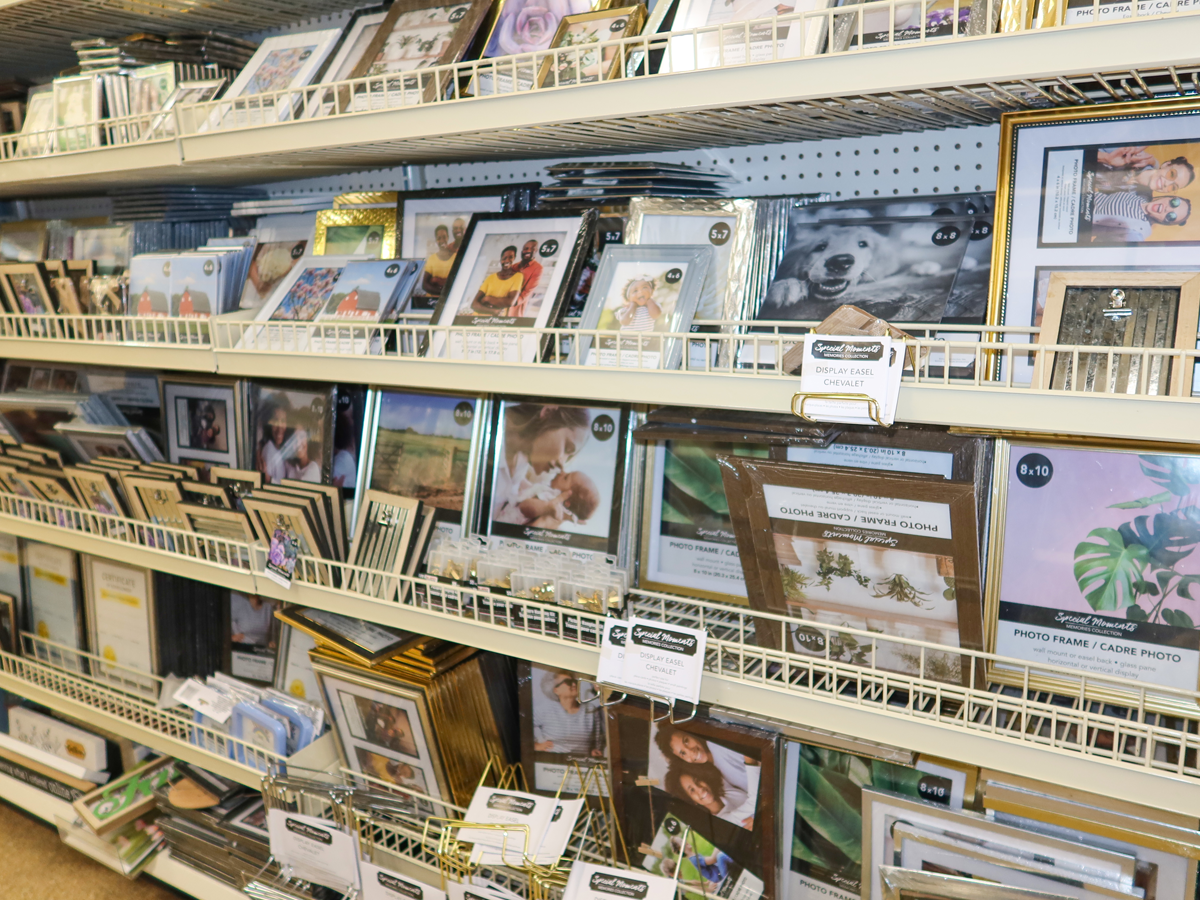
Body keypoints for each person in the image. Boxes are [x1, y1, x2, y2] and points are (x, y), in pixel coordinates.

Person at [491, 404, 591, 523]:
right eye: (567, 448)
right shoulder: (486, 449)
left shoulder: (521, 461)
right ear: (548, 413)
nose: (562, 465)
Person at [653, 723, 753, 796]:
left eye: (686, 741)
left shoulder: (719, 747)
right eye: (683, 753)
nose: (691, 751)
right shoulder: (707, 773)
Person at [532, 667, 605, 756]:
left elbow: (597, 741)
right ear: (556, 690)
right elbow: (522, 727)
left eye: (575, 682)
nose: (574, 684)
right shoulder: (545, 709)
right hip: (552, 763)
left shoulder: (590, 710)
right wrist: (535, 745)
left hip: (581, 764)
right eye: (568, 682)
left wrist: (595, 750)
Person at [663, 762, 753, 830]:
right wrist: (750, 763)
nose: (700, 788)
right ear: (691, 801)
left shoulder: (725, 790)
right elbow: (754, 802)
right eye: (692, 790)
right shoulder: (719, 823)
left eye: (697, 781)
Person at [516, 469, 600, 527]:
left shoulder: (552, 503)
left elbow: (523, 506)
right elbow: (531, 489)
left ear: (567, 500)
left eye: (565, 478)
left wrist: (547, 507)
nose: (562, 472)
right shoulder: (550, 493)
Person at [1092, 192, 1191, 242]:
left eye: (1171, 216)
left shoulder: (1136, 233)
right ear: (1169, 197)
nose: (1167, 209)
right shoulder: (1139, 197)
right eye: (1174, 202)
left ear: (1165, 222)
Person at [471, 246, 524, 314]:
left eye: (510, 257)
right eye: (504, 258)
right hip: (478, 317)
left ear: (514, 258)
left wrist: (487, 299)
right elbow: (474, 305)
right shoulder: (490, 278)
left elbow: (510, 302)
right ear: (501, 260)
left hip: (497, 320)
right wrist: (494, 311)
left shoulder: (518, 276)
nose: (507, 260)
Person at [257, 394, 292, 484]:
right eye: (276, 421)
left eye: (283, 421)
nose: (280, 427)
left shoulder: (284, 449)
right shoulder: (269, 450)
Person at [509, 239, 543, 317]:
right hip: (502, 306)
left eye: (532, 249)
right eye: (526, 248)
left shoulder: (538, 268)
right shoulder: (514, 266)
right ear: (522, 251)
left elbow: (526, 293)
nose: (528, 251)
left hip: (516, 307)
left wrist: (510, 303)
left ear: (536, 251)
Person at [422, 225, 456, 298]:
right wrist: (445, 291)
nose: (442, 240)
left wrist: (436, 280)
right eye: (439, 238)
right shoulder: (432, 259)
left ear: (448, 237)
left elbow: (456, 283)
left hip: (449, 300)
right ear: (436, 240)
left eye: (444, 237)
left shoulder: (456, 257)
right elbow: (425, 285)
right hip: (432, 300)